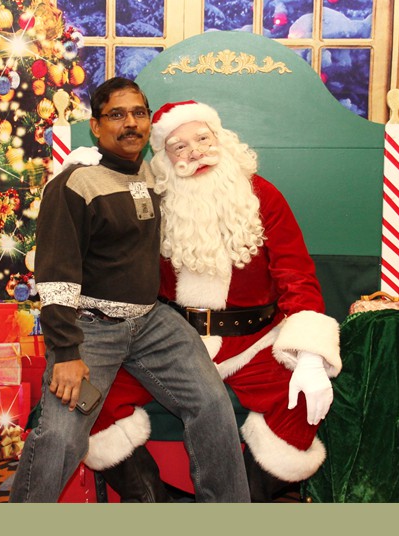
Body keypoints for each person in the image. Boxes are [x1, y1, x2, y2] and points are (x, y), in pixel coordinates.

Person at [79, 100, 342, 502]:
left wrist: (308, 356)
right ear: (163, 160)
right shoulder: (152, 199)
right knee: (88, 396)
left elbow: (296, 275)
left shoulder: (263, 196)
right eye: (179, 147)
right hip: (170, 341)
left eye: (202, 138)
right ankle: (154, 504)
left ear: (222, 140)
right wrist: (91, 175)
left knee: (302, 399)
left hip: (253, 341)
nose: (195, 152)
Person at [8, 80, 250, 503]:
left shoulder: (157, 174)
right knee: (61, 436)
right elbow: (56, 277)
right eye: (117, 115)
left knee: (213, 405)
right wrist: (65, 354)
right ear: (96, 127)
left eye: (138, 113)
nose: (130, 123)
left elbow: (212, 182)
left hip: (152, 321)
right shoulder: (73, 186)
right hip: (90, 327)